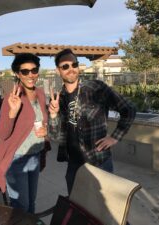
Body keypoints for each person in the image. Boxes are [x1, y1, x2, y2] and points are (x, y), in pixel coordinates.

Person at [48, 48, 136, 194]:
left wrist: (115, 137)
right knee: (77, 208)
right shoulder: (58, 99)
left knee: (102, 208)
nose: (71, 69)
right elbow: (54, 136)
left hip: (99, 161)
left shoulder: (96, 88)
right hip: (74, 165)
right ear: (58, 71)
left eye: (74, 64)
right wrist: (52, 115)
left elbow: (129, 109)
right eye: (65, 66)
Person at [0, 53, 49, 213]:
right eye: (25, 71)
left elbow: (43, 121)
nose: (31, 75)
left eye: (34, 70)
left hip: (35, 155)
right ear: (17, 74)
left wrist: (46, 128)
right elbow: (2, 134)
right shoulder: (13, 97)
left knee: (31, 203)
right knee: (21, 207)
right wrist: (12, 113)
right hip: (17, 159)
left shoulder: (41, 94)